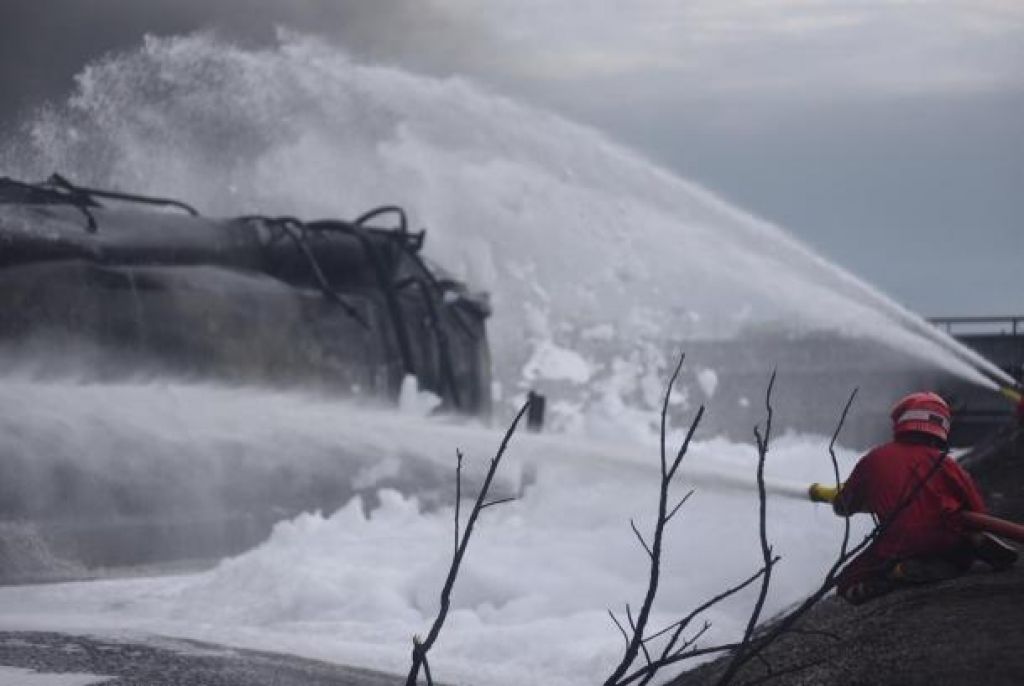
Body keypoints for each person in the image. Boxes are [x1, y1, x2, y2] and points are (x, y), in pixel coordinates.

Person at [824, 391, 1018, 604]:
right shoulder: (946, 464)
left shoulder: (874, 459)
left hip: (894, 545)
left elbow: (844, 506)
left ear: (902, 422)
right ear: (942, 426)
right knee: (960, 550)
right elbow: (978, 511)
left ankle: (889, 576)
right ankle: (952, 558)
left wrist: (863, 497)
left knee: (846, 580)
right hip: (944, 540)